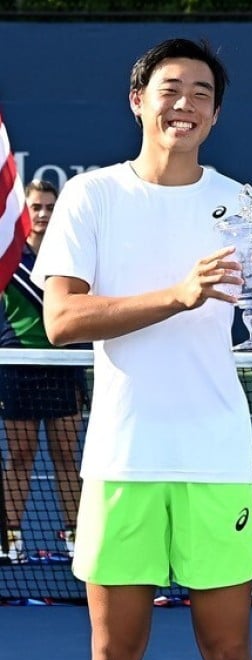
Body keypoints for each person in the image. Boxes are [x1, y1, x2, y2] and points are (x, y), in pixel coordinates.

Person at [31, 38, 252, 660]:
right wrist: (178, 296)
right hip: (123, 460)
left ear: (214, 116)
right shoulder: (89, 197)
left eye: (202, 95)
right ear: (138, 102)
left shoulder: (241, 205)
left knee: (231, 657)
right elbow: (62, 321)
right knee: (113, 657)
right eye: (170, 90)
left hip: (216, 457)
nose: (186, 105)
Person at [1, 180, 86, 564]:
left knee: (66, 455)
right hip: (18, 364)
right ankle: (11, 537)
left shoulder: (70, 255)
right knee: (20, 455)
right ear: (25, 211)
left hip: (63, 363)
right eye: (36, 207)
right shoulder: (7, 257)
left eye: (50, 207)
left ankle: (76, 534)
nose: (43, 214)